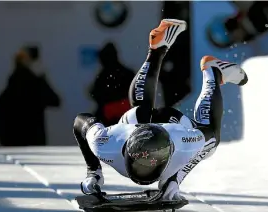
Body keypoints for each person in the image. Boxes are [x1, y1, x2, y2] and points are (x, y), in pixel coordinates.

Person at [73, 19, 248, 200]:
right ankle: (160, 51)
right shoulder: (105, 143)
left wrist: (175, 177)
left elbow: (81, 122)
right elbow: (81, 121)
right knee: (141, 113)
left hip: (172, 125)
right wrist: (93, 171)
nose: (147, 170)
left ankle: (212, 71)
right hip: (138, 126)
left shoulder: (183, 140)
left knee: (209, 145)